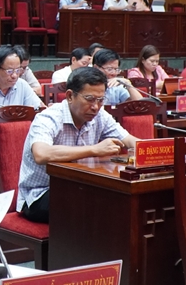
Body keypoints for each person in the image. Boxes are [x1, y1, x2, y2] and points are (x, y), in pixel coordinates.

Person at [17, 67, 137, 223]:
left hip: (80, 186)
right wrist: (94, 150)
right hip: (40, 194)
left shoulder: (100, 115)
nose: (95, 106)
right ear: (69, 96)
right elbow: (41, 154)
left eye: (101, 100)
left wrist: (155, 149)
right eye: (89, 99)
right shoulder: (48, 117)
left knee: (120, 198)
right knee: (99, 204)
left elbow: (130, 140)